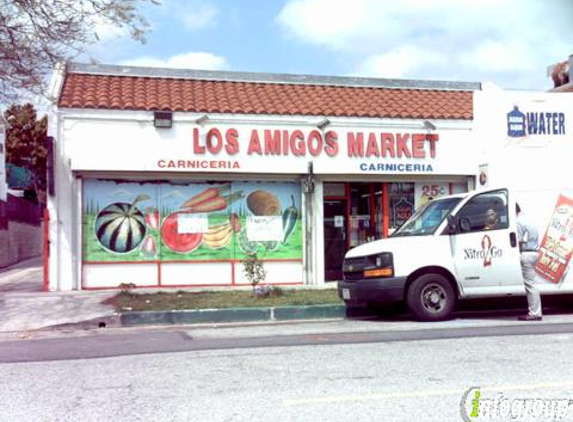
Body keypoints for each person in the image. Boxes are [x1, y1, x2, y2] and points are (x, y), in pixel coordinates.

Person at [516, 203, 542, 321]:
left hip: (526, 253)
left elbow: (518, 241)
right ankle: (536, 312)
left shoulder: (518, 222)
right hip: (535, 252)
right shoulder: (529, 220)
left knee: (530, 285)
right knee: (532, 284)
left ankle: (535, 313)